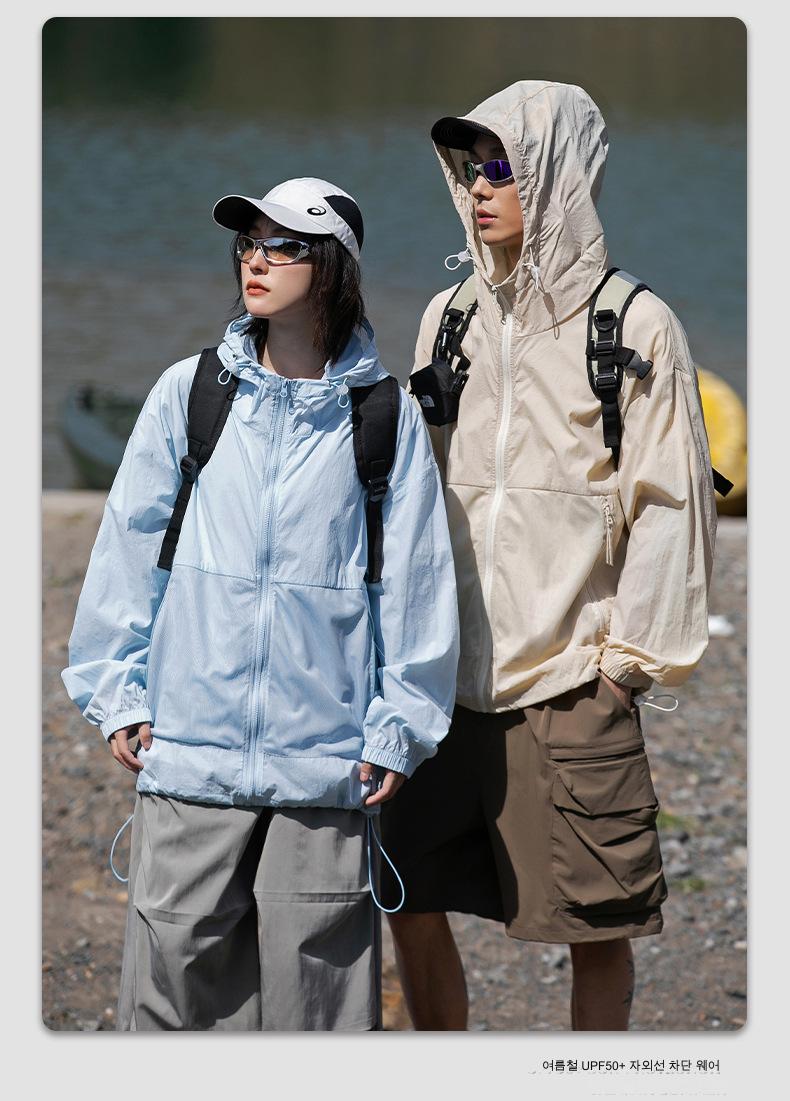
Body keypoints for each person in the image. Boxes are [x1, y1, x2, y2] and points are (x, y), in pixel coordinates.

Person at [61, 177, 459, 1031]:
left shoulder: (383, 417)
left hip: (326, 769)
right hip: (188, 753)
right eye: (249, 242)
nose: (256, 258)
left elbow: (416, 584)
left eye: (284, 245)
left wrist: (399, 726)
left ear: (334, 266)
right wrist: (117, 690)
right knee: (170, 1003)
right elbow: (128, 548)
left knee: (316, 1015)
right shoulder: (190, 393)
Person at [380, 81, 718, 1031]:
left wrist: (625, 666)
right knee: (406, 895)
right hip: (440, 678)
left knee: (598, 924)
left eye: (502, 165)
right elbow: (415, 490)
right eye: (467, 167)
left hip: (571, 681)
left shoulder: (636, 325)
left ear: (558, 172)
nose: (478, 187)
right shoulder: (448, 315)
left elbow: (670, 506)